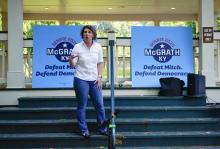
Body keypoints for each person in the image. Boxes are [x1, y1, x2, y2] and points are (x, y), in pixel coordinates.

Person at [69, 25, 107, 139]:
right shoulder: (77, 47)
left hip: (95, 80)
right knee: (82, 106)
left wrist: (100, 76)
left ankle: (102, 128)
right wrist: (71, 61)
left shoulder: (98, 47)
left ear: (93, 34)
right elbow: (73, 65)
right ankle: (84, 130)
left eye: (89, 32)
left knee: (100, 105)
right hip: (81, 79)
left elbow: (100, 63)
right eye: (85, 32)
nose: (86, 34)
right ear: (82, 34)